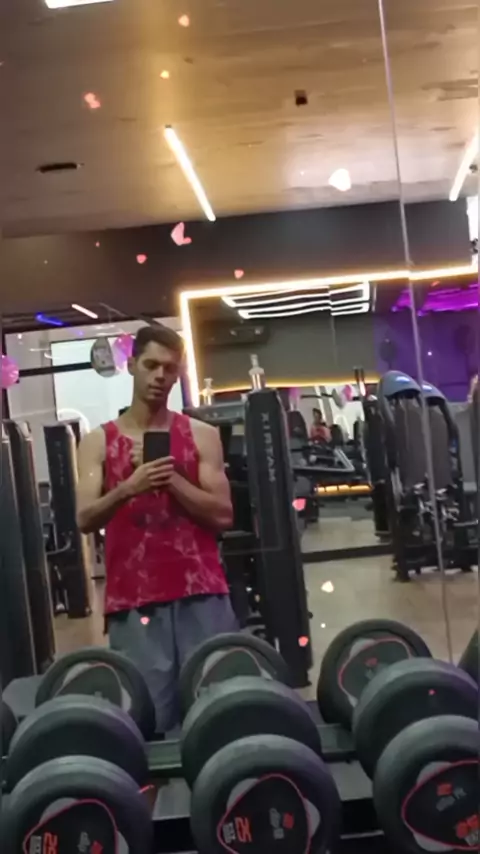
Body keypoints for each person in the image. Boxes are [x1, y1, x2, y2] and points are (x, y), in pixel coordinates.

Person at [76, 324, 237, 731]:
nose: (159, 376)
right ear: (132, 365)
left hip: (202, 594)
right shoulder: (97, 443)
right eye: (150, 365)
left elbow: (223, 515)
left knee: (218, 712)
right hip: (134, 601)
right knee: (151, 722)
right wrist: (129, 488)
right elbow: (84, 518)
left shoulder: (201, 436)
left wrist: (171, 480)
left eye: (169, 368)